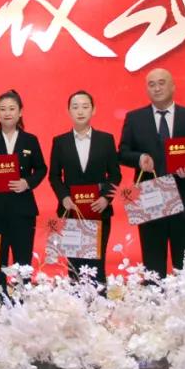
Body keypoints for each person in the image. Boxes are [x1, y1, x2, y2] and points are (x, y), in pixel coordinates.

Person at [118, 68, 185, 279]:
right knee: (153, 267)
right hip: (151, 200)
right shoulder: (135, 118)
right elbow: (122, 152)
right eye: (151, 84)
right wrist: (139, 158)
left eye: (161, 83)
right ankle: (153, 299)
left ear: (173, 86)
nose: (157, 88)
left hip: (184, 198)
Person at [0, 89, 47, 299]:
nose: (7, 113)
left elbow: (41, 168)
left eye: (12, 109)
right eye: (3, 109)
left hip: (23, 209)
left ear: (20, 112)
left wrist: (27, 182)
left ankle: (23, 301)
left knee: (23, 259)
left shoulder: (30, 140)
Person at [48, 90, 122, 288]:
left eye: (85, 106)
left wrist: (106, 198)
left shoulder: (106, 140)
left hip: (99, 211)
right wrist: (64, 197)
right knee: (74, 264)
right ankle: (76, 305)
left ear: (93, 110)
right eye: (75, 107)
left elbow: (115, 175)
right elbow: (54, 175)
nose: (80, 111)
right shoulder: (60, 142)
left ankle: (99, 304)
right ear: (69, 111)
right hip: (72, 211)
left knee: (97, 262)